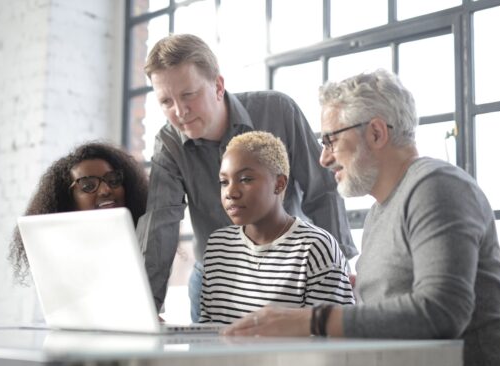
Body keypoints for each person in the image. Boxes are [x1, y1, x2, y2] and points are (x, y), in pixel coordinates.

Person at [222, 69, 500, 366]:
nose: (324, 158)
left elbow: (441, 312)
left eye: (331, 140)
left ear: (376, 132)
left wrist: (311, 319)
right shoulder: (380, 211)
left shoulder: (437, 186)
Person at [139, 33, 357, 322]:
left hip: (286, 274)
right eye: (166, 101)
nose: (179, 112)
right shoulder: (169, 142)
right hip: (216, 279)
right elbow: (159, 225)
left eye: (188, 95)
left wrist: (339, 268)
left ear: (218, 86)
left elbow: (322, 190)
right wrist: (146, 308)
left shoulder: (277, 110)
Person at [199, 131, 355, 324]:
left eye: (246, 179)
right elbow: (207, 328)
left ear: (279, 184)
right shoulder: (218, 246)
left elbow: (333, 335)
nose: (230, 192)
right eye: (224, 182)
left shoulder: (315, 248)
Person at [9, 141, 149, 285]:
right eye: (88, 185)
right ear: (68, 200)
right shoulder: (60, 256)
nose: (106, 190)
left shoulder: (150, 242)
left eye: (113, 180)